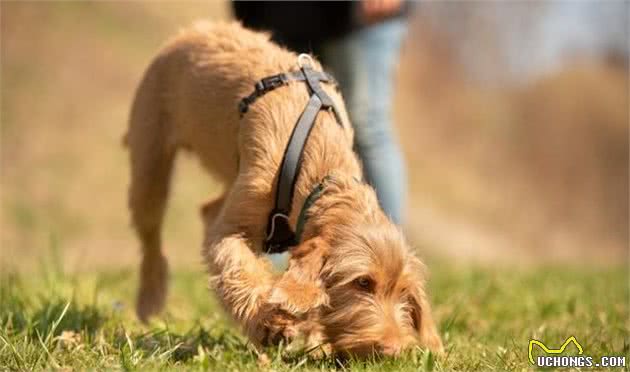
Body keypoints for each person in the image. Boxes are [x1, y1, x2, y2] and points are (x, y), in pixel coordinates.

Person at [233, 1, 408, 224]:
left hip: (358, 19)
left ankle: (386, 252)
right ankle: (267, 249)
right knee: (272, 130)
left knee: (367, 126)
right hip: (275, 14)